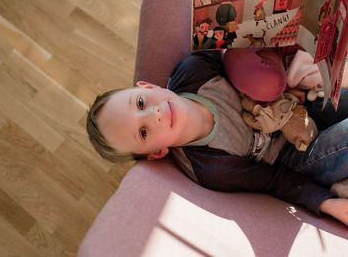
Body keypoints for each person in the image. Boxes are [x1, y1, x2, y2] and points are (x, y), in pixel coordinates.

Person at [86, 49, 348, 226]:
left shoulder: (193, 70)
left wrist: (277, 78)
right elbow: (276, 181)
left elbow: (238, 46)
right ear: (157, 152)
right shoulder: (211, 167)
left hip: (298, 102)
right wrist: (326, 203)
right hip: (298, 153)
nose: (154, 115)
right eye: (144, 132)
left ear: (147, 86)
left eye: (141, 103)